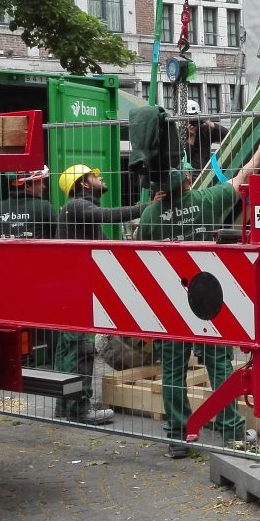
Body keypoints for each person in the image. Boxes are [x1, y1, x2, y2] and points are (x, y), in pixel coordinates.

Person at [137, 138, 260, 458]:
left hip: (170, 305)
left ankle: (178, 435)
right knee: (218, 363)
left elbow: (138, 251)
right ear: (188, 178)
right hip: (207, 302)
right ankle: (231, 429)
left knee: (173, 369)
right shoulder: (207, 201)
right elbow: (241, 178)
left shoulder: (150, 216)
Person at [53, 164, 164, 424]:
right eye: (94, 176)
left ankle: (65, 405)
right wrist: (145, 208)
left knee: (69, 347)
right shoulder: (77, 206)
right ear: (82, 184)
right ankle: (78, 408)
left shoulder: (82, 217)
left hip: (75, 289)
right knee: (79, 349)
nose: (100, 177)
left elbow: (105, 243)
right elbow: (108, 215)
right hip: (74, 291)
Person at [0, 166, 57, 239]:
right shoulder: (44, 207)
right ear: (27, 186)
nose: (44, 186)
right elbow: (60, 232)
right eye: (41, 183)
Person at [185, 99, 228, 173]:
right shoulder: (182, 132)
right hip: (189, 173)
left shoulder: (204, 130)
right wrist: (191, 136)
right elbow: (186, 158)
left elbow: (226, 134)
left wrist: (207, 121)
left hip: (205, 172)